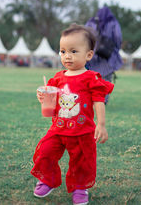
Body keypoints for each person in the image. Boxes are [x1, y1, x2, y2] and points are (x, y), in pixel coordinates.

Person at [31, 23, 114, 205]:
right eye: (63, 51)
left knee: (81, 161)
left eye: (74, 51)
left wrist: (101, 125)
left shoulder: (91, 78)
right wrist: (42, 96)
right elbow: (49, 98)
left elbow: (98, 100)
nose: (67, 56)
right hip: (58, 128)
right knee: (45, 151)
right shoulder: (58, 78)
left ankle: (79, 188)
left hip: (82, 131)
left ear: (89, 55)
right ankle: (49, 180)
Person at [85, 6, 123, 104]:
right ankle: (103, 100)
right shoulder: (113, 22)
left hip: (93, 56)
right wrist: (116, 49)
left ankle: (92, 99)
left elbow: (84, 36)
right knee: (106, 79)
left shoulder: (91, 22)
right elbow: (118, 37)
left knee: (92, 78)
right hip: (108, 56)